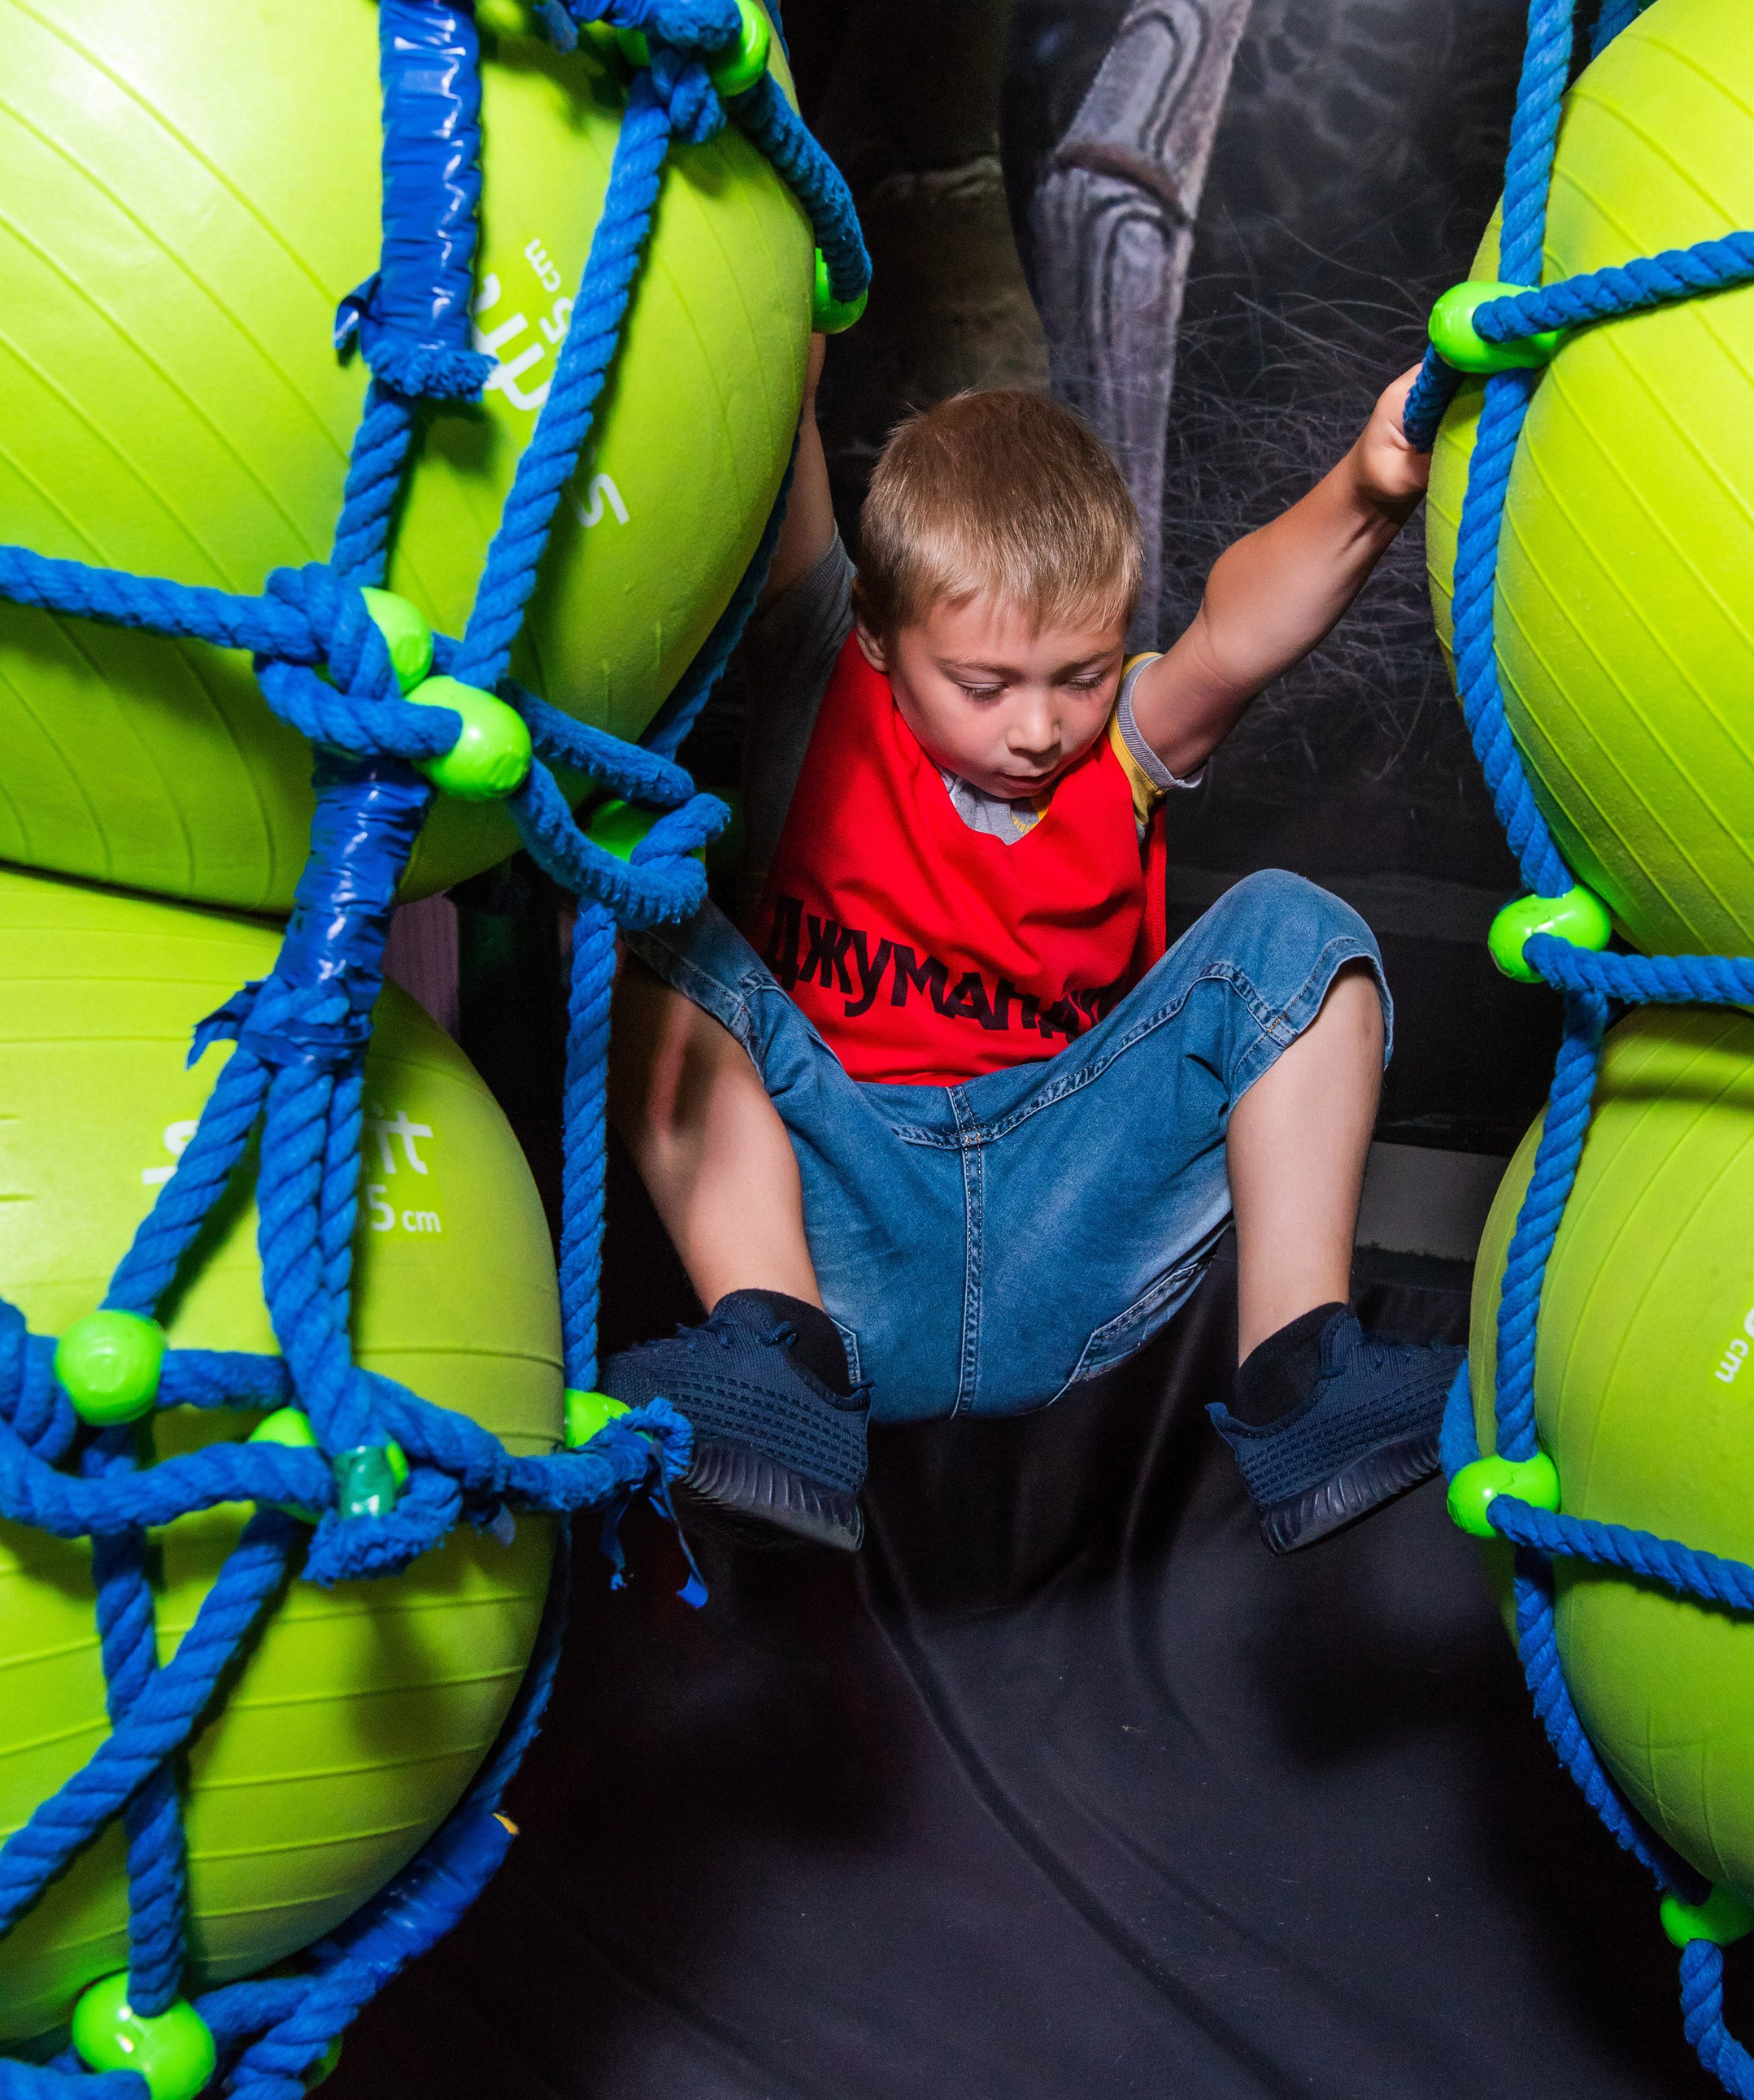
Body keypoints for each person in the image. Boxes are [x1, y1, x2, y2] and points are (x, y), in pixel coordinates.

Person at [606, 350, 1456, 1555]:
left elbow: (1236, 634)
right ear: (881, 636)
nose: (1040, 726)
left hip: (1065, 1210)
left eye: (1081, 675)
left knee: (1300, 936)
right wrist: (783, 339)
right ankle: (773, 1355)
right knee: (623, 897)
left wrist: (1368, 492)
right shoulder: (825, 672)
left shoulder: (1116, 752)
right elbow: (782, 448)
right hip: (841, 1206)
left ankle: (1299, 1370)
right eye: (985, 686)